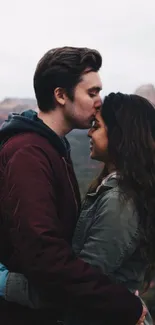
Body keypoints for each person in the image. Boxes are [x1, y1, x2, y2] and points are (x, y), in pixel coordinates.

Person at [0, 48, 144, 325]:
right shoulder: (29, 153)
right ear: (61, 95)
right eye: (91, 93)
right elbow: (44, 255)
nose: (99, 102)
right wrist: (122, 302)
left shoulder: (52, 149)